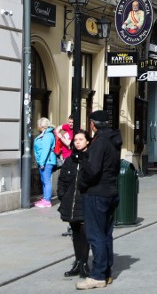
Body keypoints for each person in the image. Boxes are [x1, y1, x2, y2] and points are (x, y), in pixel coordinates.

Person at [76, 110, 122, 290]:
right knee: (105, 234)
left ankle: (97, 276)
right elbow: (116, 168)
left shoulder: (99, 143)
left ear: (93, 124)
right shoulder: (114, 141)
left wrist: (82, 183)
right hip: (110, 191)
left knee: (95, 235)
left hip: (96, 193)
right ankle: (106, 272)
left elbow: (93, 169)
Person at [58, 131, 92, 279]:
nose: (77, 142)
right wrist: (62, 195)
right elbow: (62, 180)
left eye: (81, 139)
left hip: (84, 202)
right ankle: (78, 263)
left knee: (84, 235)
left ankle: (84, 264)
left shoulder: (91, 158)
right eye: (76, 140)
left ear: (87, 141)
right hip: (70, 203)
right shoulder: (70, 160)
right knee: (76, 234)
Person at [33, 117, 58, 208]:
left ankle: (47, 201)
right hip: (45, 161)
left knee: (46, 181)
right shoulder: (46, 134)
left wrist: (42, 163)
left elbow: (45, 150)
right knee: (44, 180)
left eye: (38, 124)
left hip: (47, 161)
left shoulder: (47, 135)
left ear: (41, 125)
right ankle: (45, 198)